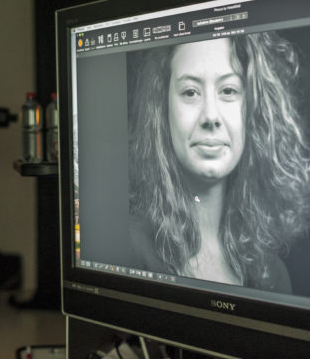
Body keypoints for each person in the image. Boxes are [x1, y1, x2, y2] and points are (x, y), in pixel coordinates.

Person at [128, 31, 310, 293]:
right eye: (190, 92)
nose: (210, 116)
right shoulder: (126, 248)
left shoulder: (273, 275)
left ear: (254, 111)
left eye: (228, 90)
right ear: (162, 109)